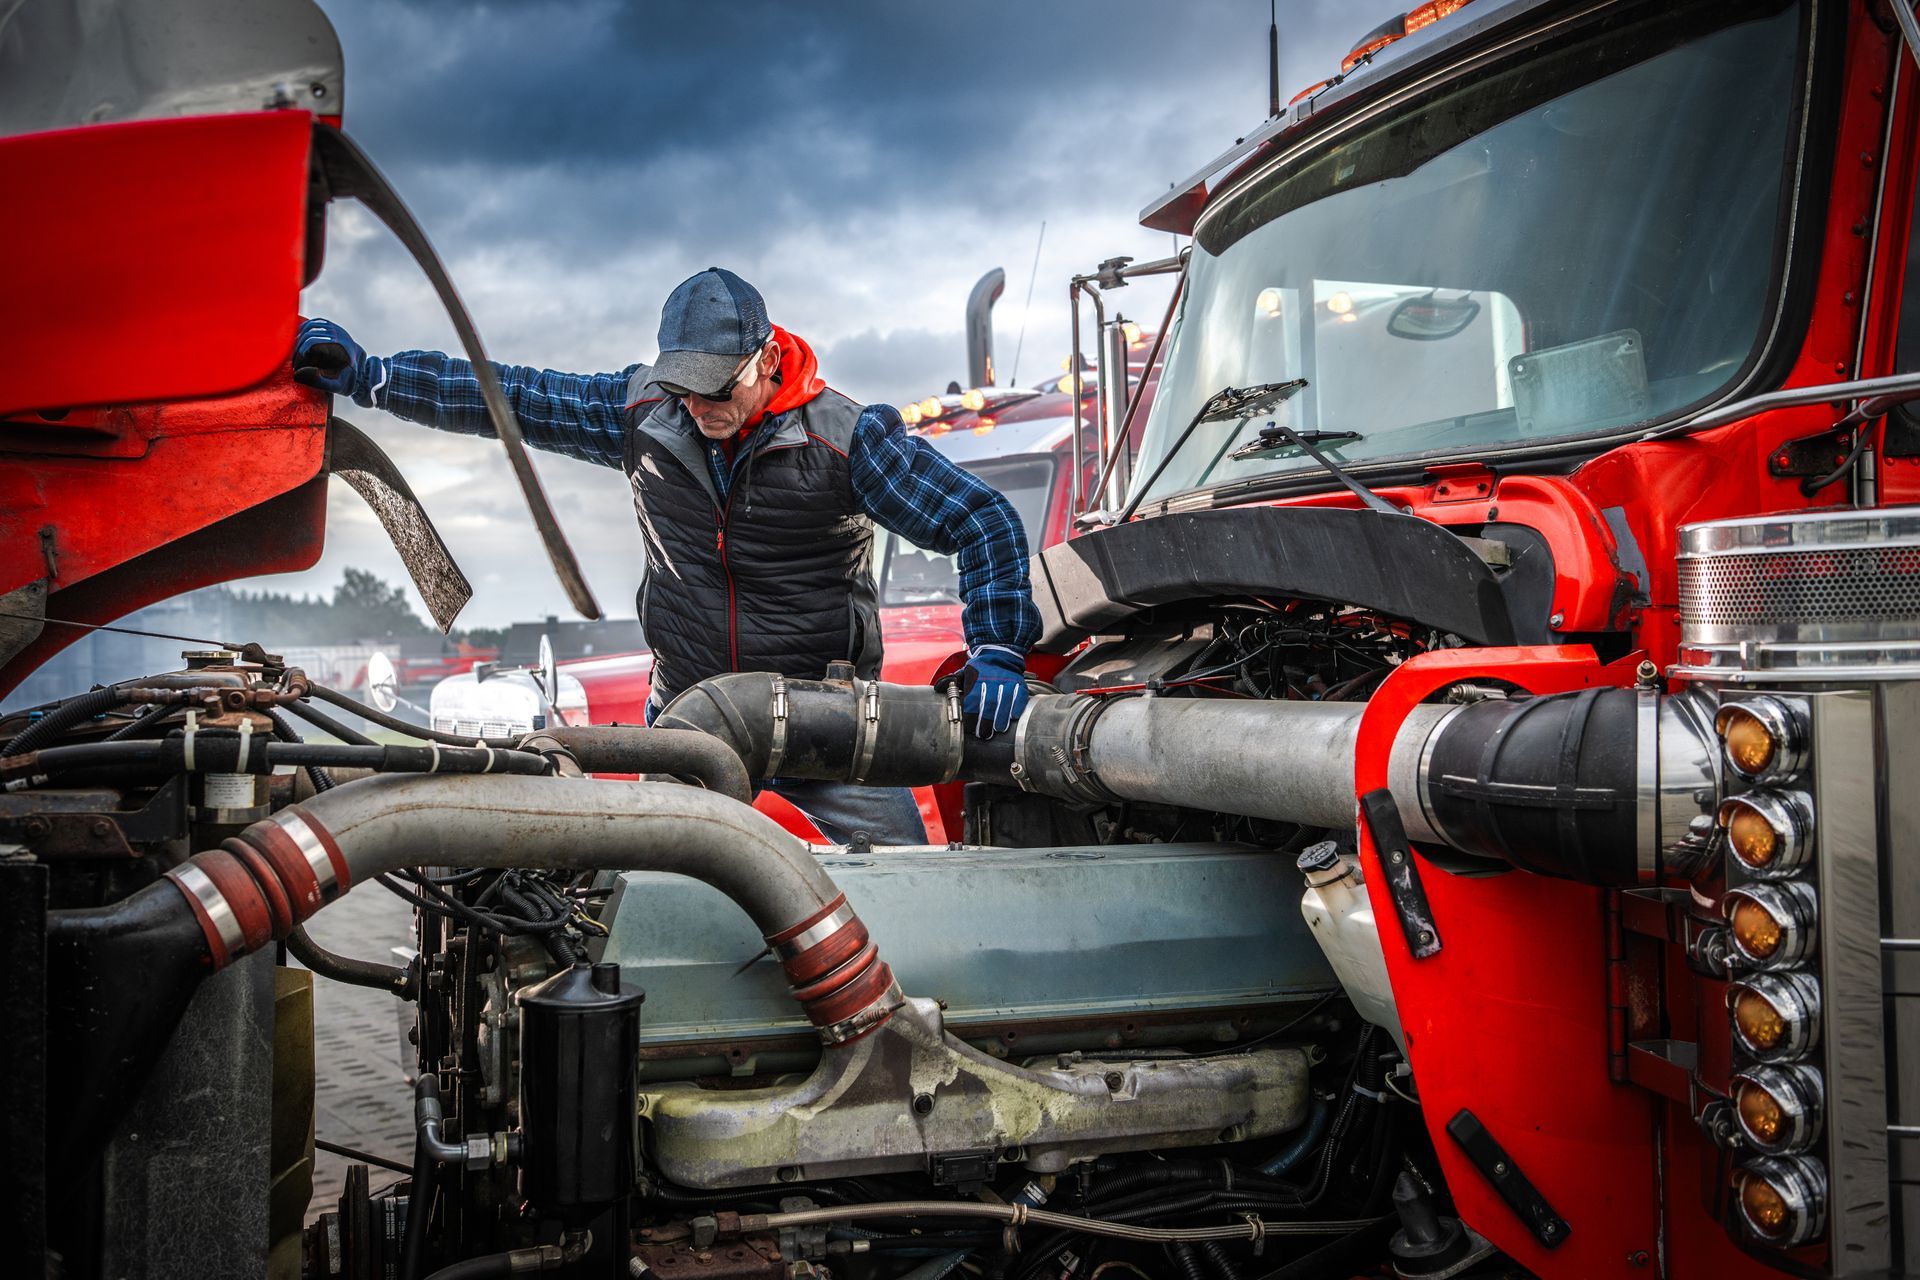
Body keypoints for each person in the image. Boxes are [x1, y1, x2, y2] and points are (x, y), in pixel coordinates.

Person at [293, 267, 1042, 846]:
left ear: (767, 357)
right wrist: (373, 377)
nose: (701, 408)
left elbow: (982, 520)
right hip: (691, 711)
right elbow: (509, 397)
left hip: (829, 718)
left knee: (904, 883)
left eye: (719, 389)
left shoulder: (847, 441)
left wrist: (999, 647)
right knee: (657, 894)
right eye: (684, 390)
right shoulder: (645, 416)